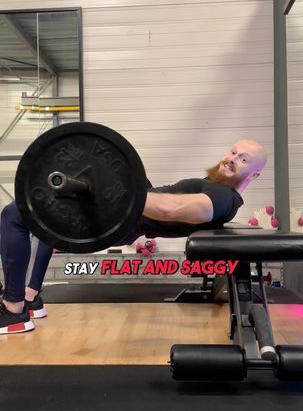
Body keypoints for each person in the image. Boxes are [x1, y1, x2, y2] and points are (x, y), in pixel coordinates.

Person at [0, 139, 267, 334]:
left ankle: (14, 309)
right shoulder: (215, 186)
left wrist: (113, 192)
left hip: (118, 219)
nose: (232, 158)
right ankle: (29, 297)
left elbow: (172, 208)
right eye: (233, 151)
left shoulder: (223, 196)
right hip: (122, 215)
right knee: (46, 219)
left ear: (254, 174)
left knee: (15, 214)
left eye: (242, 159)